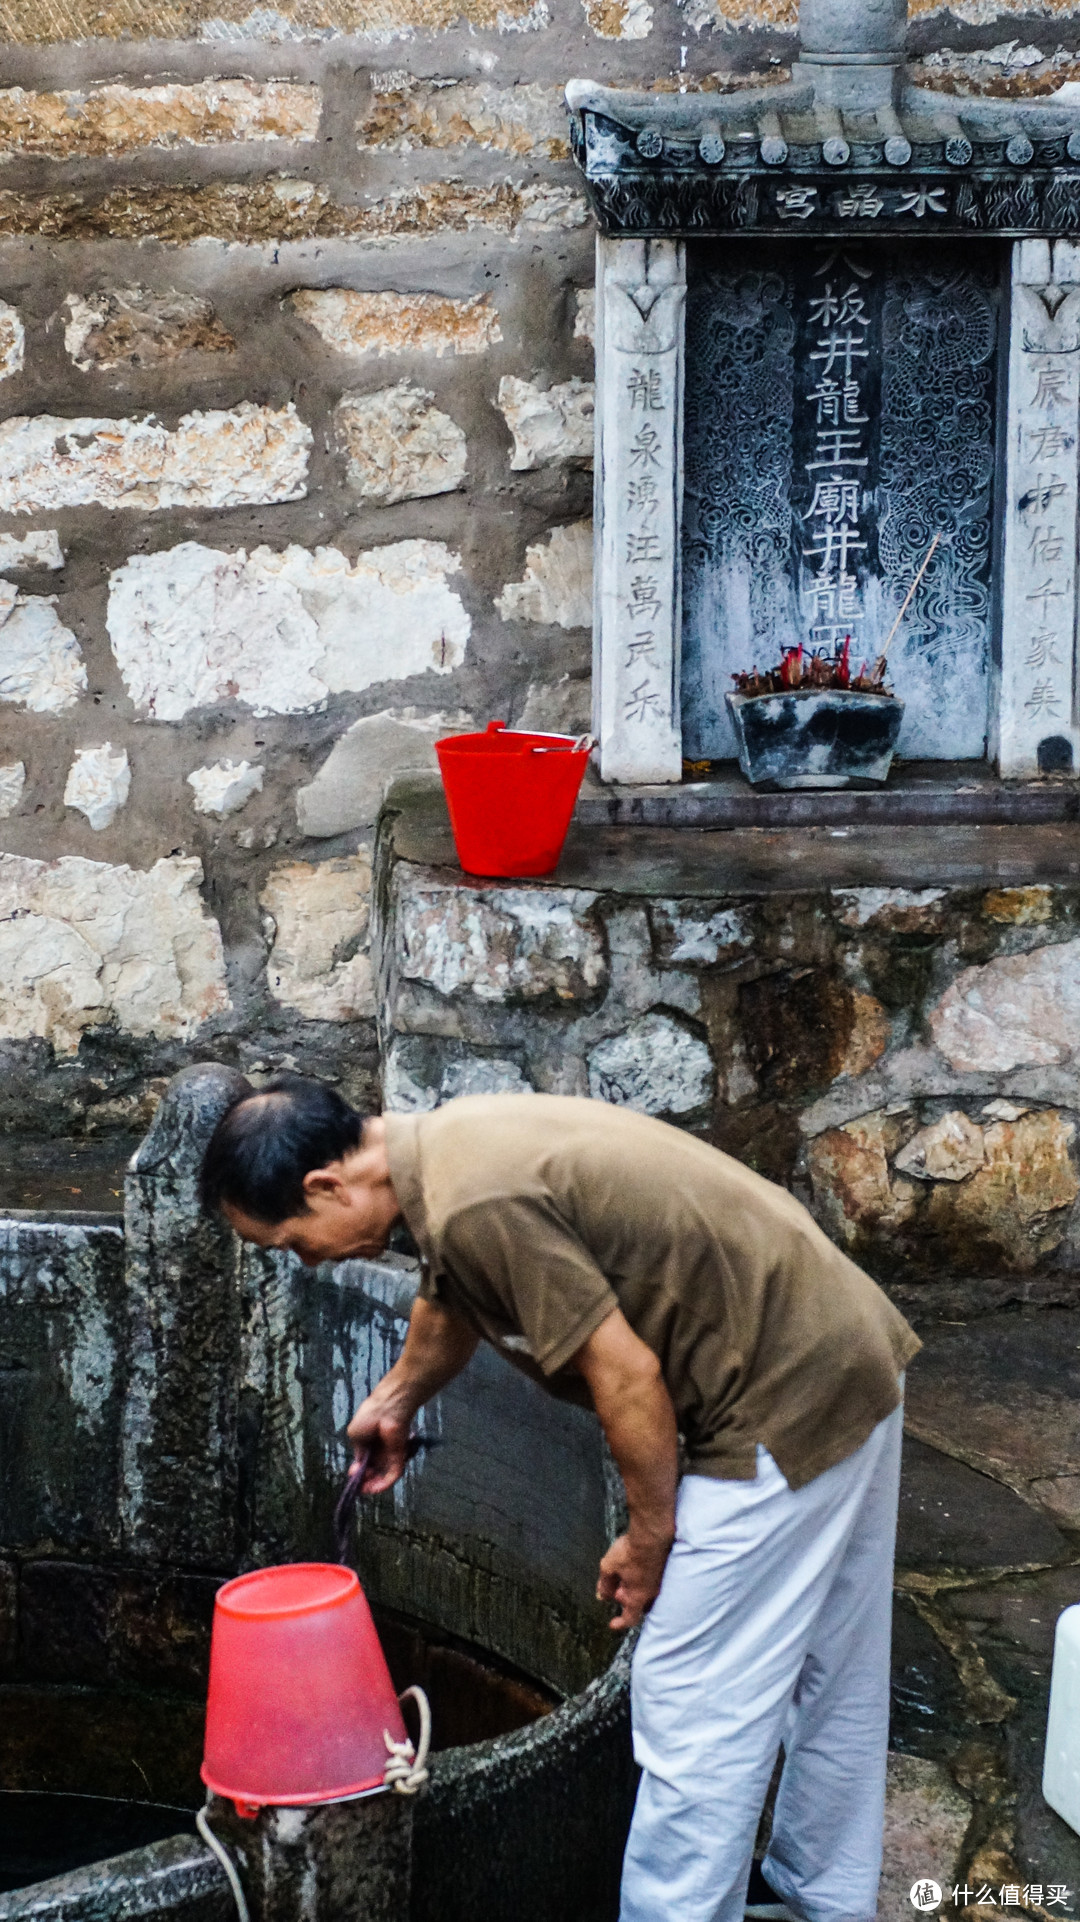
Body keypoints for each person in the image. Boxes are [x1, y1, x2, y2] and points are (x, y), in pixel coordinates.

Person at [201, 1075, 920, 1922]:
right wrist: (396, 1397)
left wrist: (650, 1536)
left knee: (691, 1709)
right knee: (832, 1668)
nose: (309, 1261)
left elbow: (627, 1373)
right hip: (840, 1349)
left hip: (775, 1400)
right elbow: (453, 1285)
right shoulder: (443, 1149)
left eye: (294, 1242)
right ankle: (822, 1901)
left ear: (327, 1186)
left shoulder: (475, 1204)